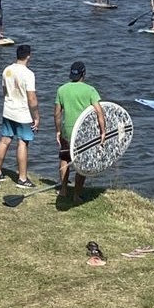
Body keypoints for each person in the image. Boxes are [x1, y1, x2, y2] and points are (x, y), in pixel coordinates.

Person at [54, 61, 106, 204]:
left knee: (65, 158)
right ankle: (76, 195)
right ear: (84, 73)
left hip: (67, 131)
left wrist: (58, 131)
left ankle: (64, 190)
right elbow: (99, 112)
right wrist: (103, 131)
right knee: (81, 164)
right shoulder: (90, 90)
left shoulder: (62, 89)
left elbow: (57, 114)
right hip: (84, 133)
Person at [0, 44, 39, 189]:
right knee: (23, 143)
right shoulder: (29, 74)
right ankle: (22, 179)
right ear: (28, 56)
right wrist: (36, 116)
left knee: (4, 140)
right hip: (22, 114)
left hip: (8, 110)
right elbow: (32, 98)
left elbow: (4, 91)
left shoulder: (7, 70)